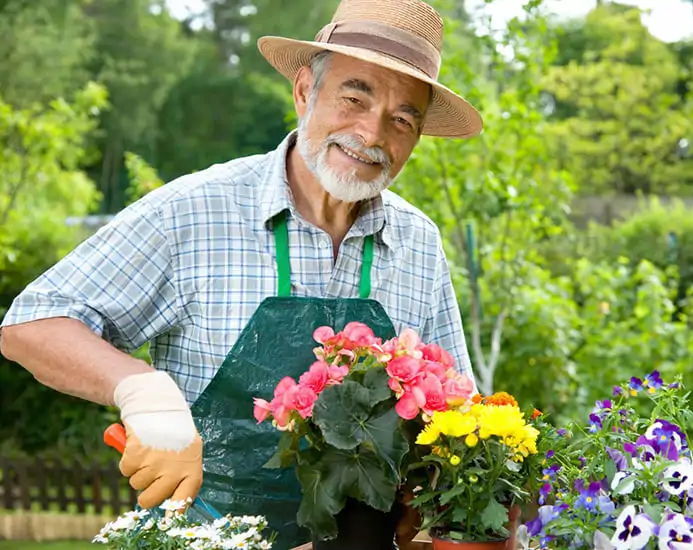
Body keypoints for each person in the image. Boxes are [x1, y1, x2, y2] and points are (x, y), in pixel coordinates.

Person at [0, 0, 482, 548]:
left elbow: (456, 414)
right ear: (305, 91)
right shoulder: (193, 211)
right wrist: (142, 390)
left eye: (402, 119)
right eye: (355, 97)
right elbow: (31, 324)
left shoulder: (418, 242)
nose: (371, 134)